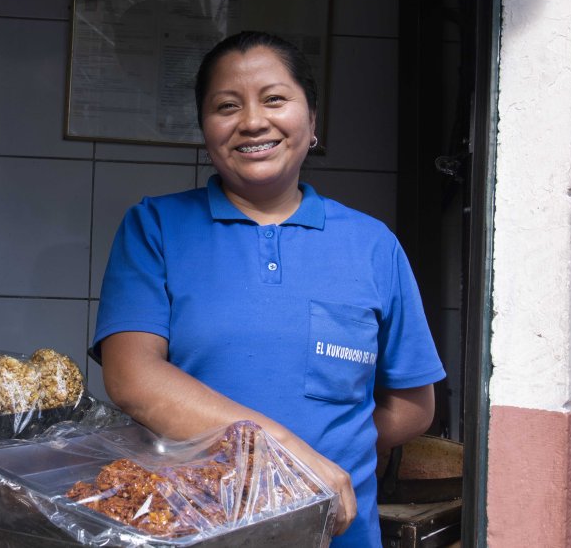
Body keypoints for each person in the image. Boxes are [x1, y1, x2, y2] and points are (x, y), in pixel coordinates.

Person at [93, 31, 445, 547]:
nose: (253, 121)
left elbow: (413, 405)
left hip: (337, 534)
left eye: (275, 99)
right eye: (226, 106)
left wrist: (336, 448)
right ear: (205, 128)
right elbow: (132, 377)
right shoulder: (157, 227)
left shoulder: (372, 245)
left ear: (313, 119)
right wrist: (286, 454)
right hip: (197, 529)